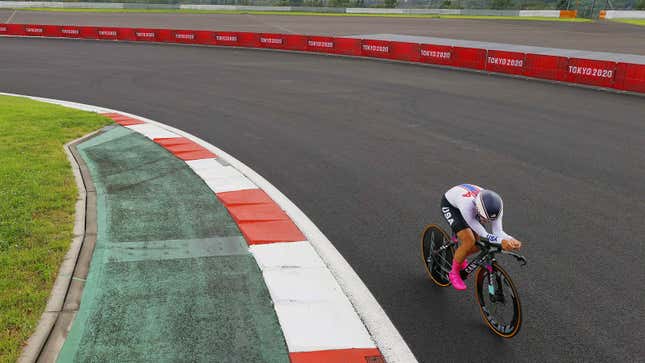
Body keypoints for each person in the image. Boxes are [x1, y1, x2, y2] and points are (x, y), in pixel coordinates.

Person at [440, 184, 522, 290]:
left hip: (471, 204)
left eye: (488, 220)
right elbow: (485, 234)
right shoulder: (467, 207)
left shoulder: (497, 206)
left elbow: (498, 231)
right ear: (478, 209)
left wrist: (511, 239)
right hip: (451, 205)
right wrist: (502, 242)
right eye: (484, 219)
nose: (486, 222)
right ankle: (454, 273)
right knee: (469, 241)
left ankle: (460, 255)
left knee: (479, 245)